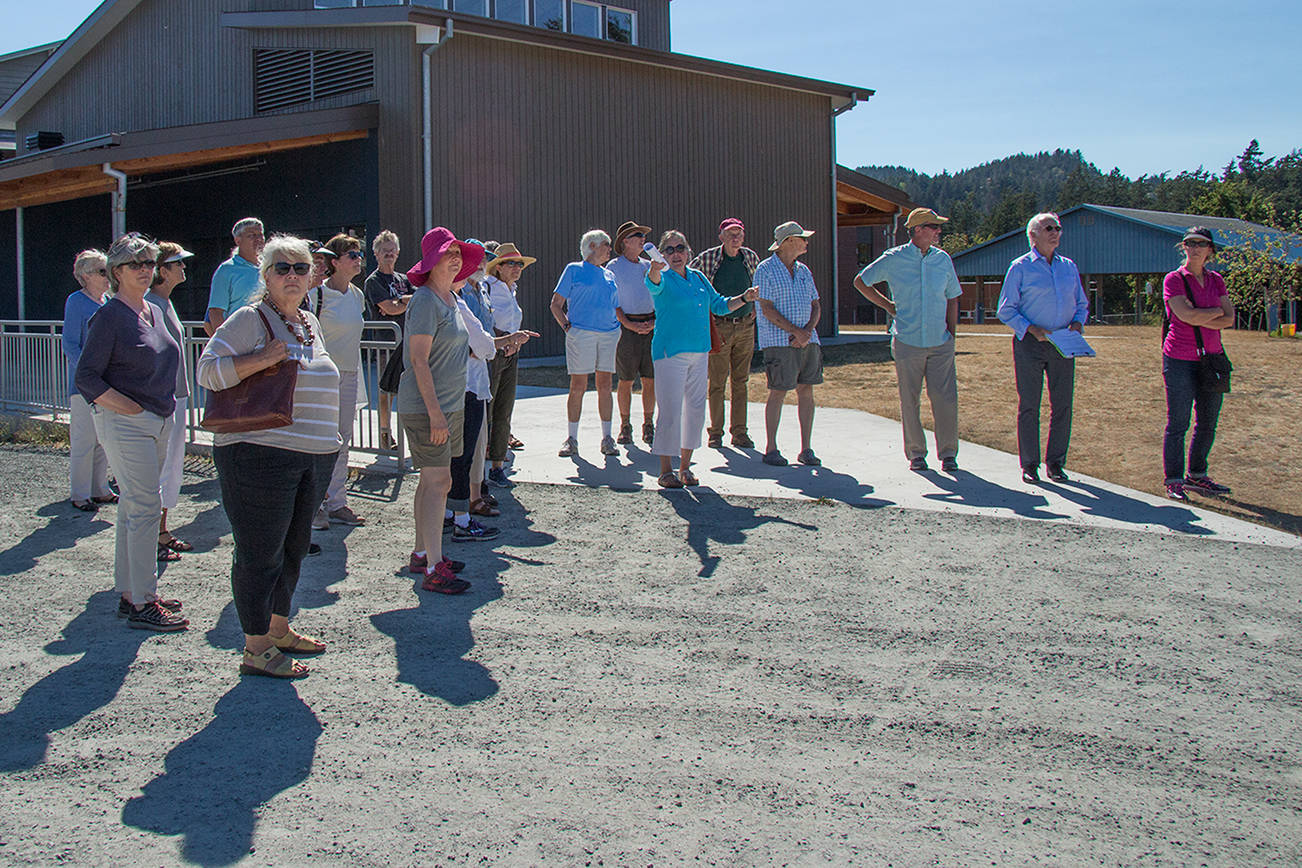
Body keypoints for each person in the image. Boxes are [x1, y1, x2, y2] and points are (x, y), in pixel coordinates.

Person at [197, 234, 341, 677]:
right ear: (265, 275)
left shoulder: (309, 322)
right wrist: (260, 358)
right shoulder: (249, 318)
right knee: (260, 553)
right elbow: (208, 370)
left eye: (301, 267)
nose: (293, 275)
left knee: (295, 549)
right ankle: (256, 649)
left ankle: (280, 629)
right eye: (283, 267)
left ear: (313, 274)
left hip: (311, 456)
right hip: (259, 454)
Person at [76, 234, 186, 632]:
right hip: (127, 423)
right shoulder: (108, 317)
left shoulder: (152, 312)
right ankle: (144, 600)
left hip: (157, 419)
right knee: (144, 507)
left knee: (133, 508)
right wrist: (130, 408)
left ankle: (130, 592)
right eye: (134, 263)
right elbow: (86, 376)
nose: (144, 269)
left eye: (148, 262)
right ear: (116, 272)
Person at [396, 227, 481, 594]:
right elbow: (418, 360)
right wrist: (435, 414)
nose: (456, 258)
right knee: (438, 482)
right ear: (432, 261)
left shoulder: (449, 299)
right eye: (449, 253)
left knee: (433, 481)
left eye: (458, 253)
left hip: (448, 405)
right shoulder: (427, 300)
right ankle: (434, 565)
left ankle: (422, 553)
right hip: (428, 409)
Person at [853, 207, 963, 472]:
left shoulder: (943, 259)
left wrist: (951, 334)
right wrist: (889, 306)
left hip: (940, 343)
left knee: (945, 399)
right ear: (918, 230)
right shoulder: (894, 258)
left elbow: (953, 296)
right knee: (909, 399)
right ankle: (916, 454)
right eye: (934, 227)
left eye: (938, 227)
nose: (938, 231)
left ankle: (948, 454)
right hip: (907, 342)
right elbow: (861, 281)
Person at [645, 230, 758, 488]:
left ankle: (685, 467)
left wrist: (744, 298)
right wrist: (654, 268)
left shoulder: (698, 277)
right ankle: (665, 470)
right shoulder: (661, 277)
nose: (676, 254)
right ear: (662, 254)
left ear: (688, 252)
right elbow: (652, 283)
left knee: (695, 410)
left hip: (700, 352)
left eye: (680, 248)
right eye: (670, 249)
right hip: (669, 353)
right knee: (671, 411)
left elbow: (718, 305)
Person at [449, 249, 538, 538]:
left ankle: (460, 508)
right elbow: (481, 344)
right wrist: (504, 341)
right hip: (466, 382)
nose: (480, 265)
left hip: (473, 379)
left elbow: (483, 340)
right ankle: (461, 516)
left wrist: (509, 341)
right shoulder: (459, 300)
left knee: (472, 445)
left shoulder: (466, 297)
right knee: (462, 454)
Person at [997, 212, 1090, 484]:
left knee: (1063, 405)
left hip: (1063, 344)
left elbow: (1081, 303)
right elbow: (1006, 310)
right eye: (1048, 228)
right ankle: (1029, 465)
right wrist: (1030, 329)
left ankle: (1056, 464)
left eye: (1058, 228)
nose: (1055, 232)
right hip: (1030, 344)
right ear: (1033, 236)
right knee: (1029, 405)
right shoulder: (1020, 267)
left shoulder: (1069, 267)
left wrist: (1078, 322)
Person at [1161, 226, 1236, 502]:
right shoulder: (1175, 279)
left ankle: (1197, 475)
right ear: (1183, 248)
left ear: (1210, 250)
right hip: (1179, 358)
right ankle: (1174, 480)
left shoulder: (1216, 280)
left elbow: (1229, 318)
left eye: (1200, 244)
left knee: (1207, 422)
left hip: (1212, 358)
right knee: (1178, 422)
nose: (1194, 248)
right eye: (1189, 243)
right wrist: (1213, 312)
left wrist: (1201, 315)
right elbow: (1184, 315)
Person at [308, 233, 368, 529]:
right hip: (321, 378)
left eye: (359, 254)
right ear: (335, 261)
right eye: (352, 255)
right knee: (320, 439)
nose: (358, 259)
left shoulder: (357, 295)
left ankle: (337, 502)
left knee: (342, 439)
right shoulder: (315, 295)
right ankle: (315, 504)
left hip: (349, 375)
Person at [754, 221, 823, 467]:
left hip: (808, 341)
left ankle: (807, 449)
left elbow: (815, 304)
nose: (806, 242)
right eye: (802, 238)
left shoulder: (804, 270)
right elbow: (766, 308)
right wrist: (795, 331)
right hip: (779, 342)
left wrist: (806, 332)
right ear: (788, 242)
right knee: (778, 391)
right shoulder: (766, 269)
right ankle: (771, 448)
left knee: (807, 390)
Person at [690, 218, 761, 450]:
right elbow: (689, 281)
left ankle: (740, 432)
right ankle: (716, 433)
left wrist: (756, 311)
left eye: (739, 234)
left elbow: (760, 286)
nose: (735, 238)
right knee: (717, 381)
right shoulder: (708, 258)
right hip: (719, 325)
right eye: (730, 234)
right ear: (721, 236)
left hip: (745, 326)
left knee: (741, 381)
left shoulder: (750, 257)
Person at [145, 241, 197, 558]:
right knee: (161, 471)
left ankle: (161, 533)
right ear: (162, 270)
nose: (184, 267)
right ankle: (153, 537)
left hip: (176, 398)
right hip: (165, 401)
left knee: (171, 469)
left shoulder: (164, 302)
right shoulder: (151, 305)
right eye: (178, 262)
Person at [549, 229, 621, 458]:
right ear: (592, 246)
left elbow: (614, 305)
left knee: (605, 385)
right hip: (582, 334)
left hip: (609, 334)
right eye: (606, 244)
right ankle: (571, 438)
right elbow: (556, 304)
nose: (610, 249)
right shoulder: (574, 269)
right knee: (578, 385)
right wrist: (568, 327)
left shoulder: (609, 275)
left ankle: (607, 438)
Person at [61, 249, 115, 512]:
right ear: (85, 275)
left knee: (102, 440)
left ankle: (100, 488)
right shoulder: (76, 301)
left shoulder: (108, 302)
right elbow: (70, 343)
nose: (108, 277)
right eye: (101, 271)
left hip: (108, 383)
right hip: (85, 385)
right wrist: (87, 371)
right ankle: (80, 493)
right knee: (83, 440)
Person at [484, 242, 536, 485]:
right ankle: (478, 472)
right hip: (494, 352)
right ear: (499, 267)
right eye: (511, 263)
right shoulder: (488, 286)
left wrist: (517, 339)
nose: (517, 268)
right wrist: (505, 339)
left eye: (520, 264)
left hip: (510, 353)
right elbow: (484, 320)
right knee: (487, 410)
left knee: (504, 409)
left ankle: (497, 466)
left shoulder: (510, 289)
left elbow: (510, 322)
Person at [607, 220, 656, 446]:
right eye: (637, 235)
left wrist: (653, 321)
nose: (642, 239)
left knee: (650, 379)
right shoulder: (613, 267)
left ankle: (649, 424)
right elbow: (612, 302)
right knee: (625, 380)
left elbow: (660, 294)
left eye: (642, 235)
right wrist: (627, 323)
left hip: (651, 325)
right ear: (625, 241)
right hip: (626, 328)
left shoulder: (649, 266)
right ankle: (625, 425)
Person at [365, 230, 412, 452]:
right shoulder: (373, 281)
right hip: (386, 343)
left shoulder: (403, 279)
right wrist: (399, 305)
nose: (389, 254)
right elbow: (388, 308)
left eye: (392, 250)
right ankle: (386, 434)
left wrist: (400, 300)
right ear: (376, 253)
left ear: (398, 252)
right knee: (387, 392)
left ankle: (410, 435)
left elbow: (419, 299)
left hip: (408, 342)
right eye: (384, 251)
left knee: (410, 389)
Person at [205, 217, 265, 336]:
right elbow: (215, 312)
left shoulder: (268, 268)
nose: (258, 239)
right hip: (240, 341)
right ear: (238, 240)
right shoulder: (226, 270)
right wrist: (226, 342)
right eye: (252, 236)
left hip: (266, 339)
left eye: (261, 235)